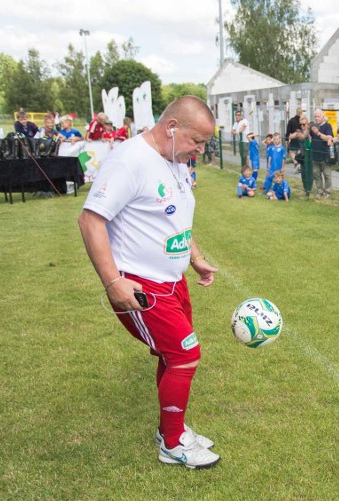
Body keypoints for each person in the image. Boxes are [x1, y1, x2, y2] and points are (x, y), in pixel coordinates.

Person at [78, 96, 220, 469]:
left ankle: (169, 429)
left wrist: (196, 258)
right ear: (171, 127)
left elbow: (174, 221)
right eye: (196, 141)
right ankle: (172, 444)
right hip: (142, 286)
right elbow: (91, 221)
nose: (200, 151)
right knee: (186, 355)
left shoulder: (174, 161)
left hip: (173, 282)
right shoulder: (129, 160)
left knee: (172, 355)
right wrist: (113, 282)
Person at [309, 109, 334, 197]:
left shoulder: (327, 126)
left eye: (318, 116)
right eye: (315, 116)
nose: (316, 118)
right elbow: (309, 137)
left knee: (327, 174)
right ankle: (319, 191)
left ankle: (327, 191)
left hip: (325, 155)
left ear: (323, 116)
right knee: (316, 174)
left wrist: (318, 133)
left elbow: (329, 139)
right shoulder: (313, 127)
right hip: (315, 154)